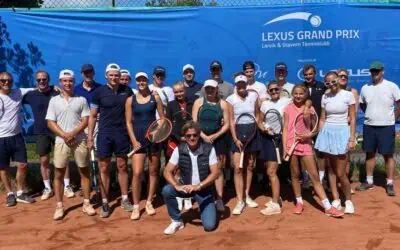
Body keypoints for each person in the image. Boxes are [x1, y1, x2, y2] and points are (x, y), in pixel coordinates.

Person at [282, 84, 343, 217]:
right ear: (293, 94)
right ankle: (299, 201)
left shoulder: (310, 108)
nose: (298, 96)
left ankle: (327, 206)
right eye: (295, 94)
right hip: (291, 144)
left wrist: (309, 135)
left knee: (314, 176)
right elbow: (285, 128)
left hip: (306, 145)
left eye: (301, 94)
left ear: (305, 95)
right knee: (295, 175)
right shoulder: (288, 108)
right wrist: (285, 147)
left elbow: (316, 128)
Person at [46, 69, 95, 220]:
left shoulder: (81, 99)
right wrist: (64, 135)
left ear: (74, 82)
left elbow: (86, 121)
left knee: (84, 171)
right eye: (65, 81)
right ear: (60, 82)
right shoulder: (54, 101)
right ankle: (59, 206)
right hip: (61, 141)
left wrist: (73, 133)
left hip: (79, 140)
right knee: (59, 173)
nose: (68, 83)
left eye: (70, 81)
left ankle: (87, 203)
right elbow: (50, 122)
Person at [88, 63, 134, 218]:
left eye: (117, 75)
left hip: (122, 134)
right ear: (106, 76)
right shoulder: (98, 92)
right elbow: (93, 116)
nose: (114, 78)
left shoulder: (127, 91)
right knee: (104, 168)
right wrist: (89, 137)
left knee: (122, 166)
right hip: (104, 134)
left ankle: (125, 198)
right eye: (111, 75)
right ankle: (105, 201)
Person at [162, 121, 219, 235]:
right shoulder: (179, 149)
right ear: (184, 137)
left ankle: (209, 207)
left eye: (195, 135)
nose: (192, 138)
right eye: (188, 135)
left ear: (199, 135)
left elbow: (215, 173)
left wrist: (198, 186)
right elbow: (167, 171)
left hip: (204, 190)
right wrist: (177, 186)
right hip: (186, 187)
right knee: (167, 190)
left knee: (209, 226)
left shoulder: (209, 148)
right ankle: (177, 220)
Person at [356, 61, 400, 196]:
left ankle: (389, 183)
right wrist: (370, 114)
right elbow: (362, 105)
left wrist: (393, 118)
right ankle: (369, 181)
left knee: (388, 155)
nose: (375, 73)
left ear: (382, 71)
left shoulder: (391, 86)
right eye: (372, 71)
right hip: (369, 126)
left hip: (387, 126)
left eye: (377, 71)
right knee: (369, 154)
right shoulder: (365, 88)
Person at [315, 71, 356, 214]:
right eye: (328, 82)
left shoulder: (348, 95)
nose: (331, 84)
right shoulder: (325, 96)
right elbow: (322, 118)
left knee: (341, 172)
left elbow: (353, 117)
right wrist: (320, 136)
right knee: (331, 170)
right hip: (327, 132)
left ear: (338, 80)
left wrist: (352, 138)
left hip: (343, 133)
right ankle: (336, 199)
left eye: (333, 81)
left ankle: (349, 201)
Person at [125, 72, 165, 220]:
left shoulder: (155, 97)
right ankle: (136, 206)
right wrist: (134, 140)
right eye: (139, 80)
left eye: (143, 80)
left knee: (153, 172)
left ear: (147, 81)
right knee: (137, 173)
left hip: (153, 140)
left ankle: (148, 202)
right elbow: (128, 122)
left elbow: (162, 119)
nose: (141, 82)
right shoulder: (130, 100)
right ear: (136, 82)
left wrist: (157, 134)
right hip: (138, 141)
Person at [192, 79, 230, 212]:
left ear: (216, 89)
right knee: (202, 169)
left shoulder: (223, 104)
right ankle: (201, 198)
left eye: (212, 88)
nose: (210, 90)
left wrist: (215, 135)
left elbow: (227, 124)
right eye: (207, 88)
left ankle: (219, 199)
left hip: (218, 140)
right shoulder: (198, 102)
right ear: (204, 89)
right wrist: (203, 136)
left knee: (218, 170)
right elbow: (194, 123)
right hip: (201, 139)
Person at [0, 72, 36, 206]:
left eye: (9, 80)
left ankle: (20, 192)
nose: (6, 83)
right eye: (3, 81)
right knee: (3, 168)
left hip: (17, 137)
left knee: (23, 165)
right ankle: (10, 194)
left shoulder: (18, 92)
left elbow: (37, 89)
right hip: (1, 139)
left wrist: (53, 88)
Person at [22, 70, 59, 200]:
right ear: (36, 81)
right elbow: (13, 94)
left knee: (62, 159)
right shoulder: (30, 95)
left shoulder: (57, 92)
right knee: (44, 160)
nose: (42, 81)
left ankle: (66, 186)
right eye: (39, 80)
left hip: (58, 130)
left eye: (44, 79)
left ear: (48, 80)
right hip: (41, 131)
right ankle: (48, 188)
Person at [227, 74, 260, 215]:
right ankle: (240, 200)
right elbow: (231, 120)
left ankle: (247, 195)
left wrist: (256, 128)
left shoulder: (253, 96)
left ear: (247, 85)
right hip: (238, 133)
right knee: (238, 168)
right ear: (236, 85)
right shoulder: (230, 99)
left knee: (250, 166)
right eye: (239, 84)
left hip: (252, 132)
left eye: (243, 84)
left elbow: (258, 114)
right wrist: (235, 138)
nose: (241, 86)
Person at [257, 81, 291, 215]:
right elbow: (259, 121)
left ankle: (276, 204)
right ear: (268, 92)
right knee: (269, 170)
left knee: (272, 172)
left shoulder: (288, 101)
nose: (274, 92)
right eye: (271, 90)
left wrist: (307, 107)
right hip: (267, 139)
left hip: (280, 139)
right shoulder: (265, 104)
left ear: (280, 90)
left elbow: (305, 101)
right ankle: (276, 198)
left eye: (276, 89)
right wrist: (264, 129)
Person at [166, 81, 194, 211]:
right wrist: (178, 137)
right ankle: (178, 195)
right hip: (175, 141)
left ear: (185, 91)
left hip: (190, 141)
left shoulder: (192, 103)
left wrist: (188, 138)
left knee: (187, 168)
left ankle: (187, 196)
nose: (179, 94)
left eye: (181, 91)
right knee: (176, 169)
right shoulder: (171, 105)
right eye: (176, 92)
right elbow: (168, 124)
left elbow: (194, 121)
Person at [302, 64, 327, 188]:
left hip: (319, 124)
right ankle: (306, 179)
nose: (308, 76)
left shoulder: (322, 86)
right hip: (304, 125)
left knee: (320, 152)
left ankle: (321, 178)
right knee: (304, 152)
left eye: (310, 74)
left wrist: (322, 121)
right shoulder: (301, 87)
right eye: (306, 75)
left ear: (315, 74)